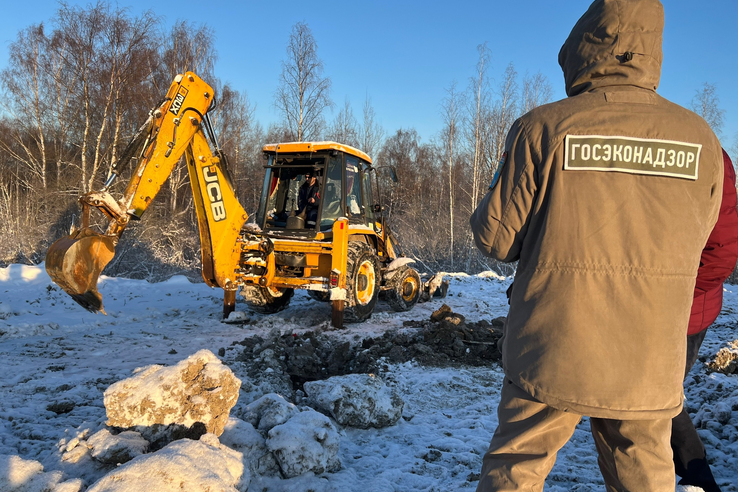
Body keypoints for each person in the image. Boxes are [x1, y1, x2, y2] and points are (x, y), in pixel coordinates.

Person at [469, 0, 724, 491]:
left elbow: (495, 238)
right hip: (648, 356)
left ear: (584, 47)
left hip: (552, 344)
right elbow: (703, 235)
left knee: (517, 465)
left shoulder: (541, 128)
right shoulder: (702, 139)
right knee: (646, 471)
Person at [673, 149, 738, 492]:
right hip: (677, 304)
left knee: (658, 399)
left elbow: (722, 250)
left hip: (685, 310)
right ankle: (697, 477)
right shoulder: (707, 149)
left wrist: (671, 292)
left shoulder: (708, 153)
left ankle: (697, 477)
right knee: (658, 398)